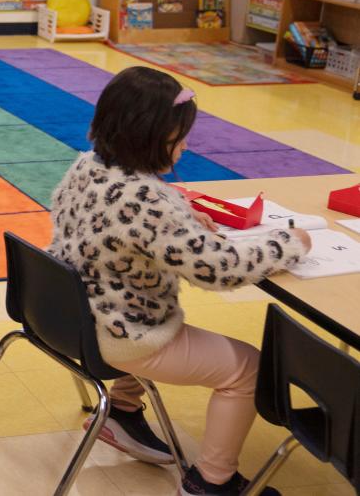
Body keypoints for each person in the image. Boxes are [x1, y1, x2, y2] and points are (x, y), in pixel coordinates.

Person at [49, 67, 310, 496]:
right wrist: (289, 243)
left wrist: (180, 210)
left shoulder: (87, 165)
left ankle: (122, 411)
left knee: (153, 306)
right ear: (149, 137)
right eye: (178, 136)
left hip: (74, 314)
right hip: (125, 334)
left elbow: (126, 226)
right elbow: (221, 269)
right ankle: (212, 482)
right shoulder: (148, 203)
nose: (185, 145)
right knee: (248, 369)